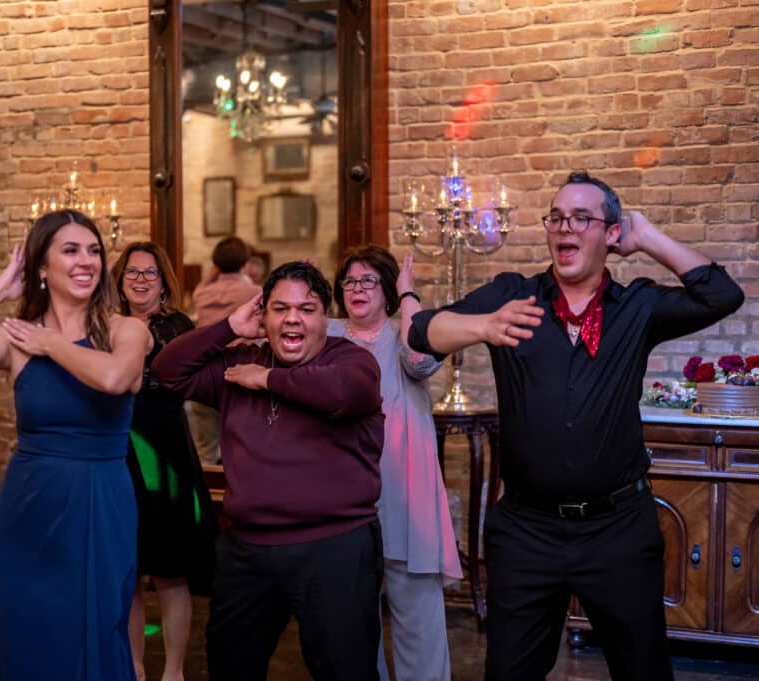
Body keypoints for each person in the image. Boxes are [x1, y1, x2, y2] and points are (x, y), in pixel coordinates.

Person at [407, 171, 745, 681]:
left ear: (611, 234)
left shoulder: (637, 307)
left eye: (582, 218)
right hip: (526, 532)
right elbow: (420, 330)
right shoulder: (513, 296)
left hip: (618, 530)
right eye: (557, 217)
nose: (565, 227)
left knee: (644, 671)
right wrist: (485, 326)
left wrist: (647, 237)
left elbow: (721, 295)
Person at [0, 210, 152, 680]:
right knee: (29, 629)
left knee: (95, 623)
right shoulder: (18, 338)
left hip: (99, 499)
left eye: (93, 250)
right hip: (30, 506)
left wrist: (51, 344)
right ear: (42, 269)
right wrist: (0, 285)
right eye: (70, 250)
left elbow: (113, 378)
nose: (86, 260)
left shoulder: (125, 329)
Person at [153, 261, 385, 681]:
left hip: (333, 549)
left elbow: (347, 393)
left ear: (325, 318)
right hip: (248, 553)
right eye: (279, 308)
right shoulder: (241, 362)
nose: (293, 318)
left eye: (307, 308)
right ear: (263, 317)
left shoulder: (349, 360)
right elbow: (168, 371)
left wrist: (267, 379)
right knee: (229, 666)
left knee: (345, 670)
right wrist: (227, 327)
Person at [329, 246, 460, 681]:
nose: (357, 289)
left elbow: (420, 364)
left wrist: (409, 297)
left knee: (417, 613)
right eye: (349, 281)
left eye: (369, 281)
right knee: (351, 618)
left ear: (386, 290)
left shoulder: (404, 330)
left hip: (404, 488)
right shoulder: (327, 335)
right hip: (344, 491)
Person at [111, 242, 218, 681]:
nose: (140, 279)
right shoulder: (104, 324)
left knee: (171, 572)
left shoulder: (177, 325)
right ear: (119, 280)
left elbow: (177, 377)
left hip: (166, 452)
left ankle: (173, 672)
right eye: (132, 272)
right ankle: (133, 666)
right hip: (117, 451)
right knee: (129, 571)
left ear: (163, 281)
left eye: (149, 273)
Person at [188, 236, 262, 464]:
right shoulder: (254, 292)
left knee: (205, 450)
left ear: (216, 264)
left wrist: (219, 266)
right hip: (241, 376)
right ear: (246, 263)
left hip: (206, 373)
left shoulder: (201, 293)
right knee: (245, 448)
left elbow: (207, 280)